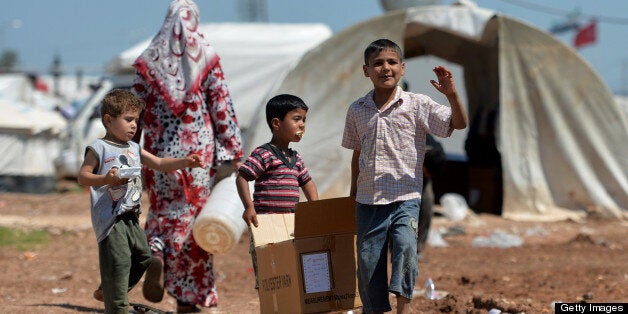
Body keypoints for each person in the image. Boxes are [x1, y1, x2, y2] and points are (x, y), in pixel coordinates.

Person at [132, 0, 244, 312]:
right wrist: (234, 152)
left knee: (161, 212)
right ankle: (187, 298)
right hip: (198, 155)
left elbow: (133, 115)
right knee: (193, 221)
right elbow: (222, 107)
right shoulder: (207, 58)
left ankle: (155, 251)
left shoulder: (147, 62)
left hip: (157, 152)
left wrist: (130, 152)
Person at [341, 39, 468, 313]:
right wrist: (353, 192)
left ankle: (404, 308)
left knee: (405, 246)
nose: (384, 68)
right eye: (377, 63)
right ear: (366, 70)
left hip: (405, 197)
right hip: (368, 199)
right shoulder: (357, 110)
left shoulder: (417, 104)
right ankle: (375, 309)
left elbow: (458, 124)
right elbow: (357, 154)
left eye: (391, 62)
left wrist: (452, 94)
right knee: (368, 260)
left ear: (402, 68)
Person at [78, 89, 205, 313]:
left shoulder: (134, 148)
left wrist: (186, 161)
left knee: (144, 256)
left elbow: (159, 163)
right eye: (128, 119)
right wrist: (106, 178)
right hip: (111, 218)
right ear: (109, 120)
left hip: (131, 216)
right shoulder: (99, 148)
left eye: (136, 120)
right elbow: (83, 176)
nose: (134, 125)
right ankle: (116, 306)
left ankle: (107, 291)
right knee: (120, 262)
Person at [235, 94, 319, 288]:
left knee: (291, 273)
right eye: (296, 119)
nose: (302, 125)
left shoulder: (296, 158)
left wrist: (315, 207)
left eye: (304, 120)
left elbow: (307, 182)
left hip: (291, 225)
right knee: (269, 276)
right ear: (276, 123)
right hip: (265, 224)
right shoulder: (263, 154)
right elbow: (242, 177)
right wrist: (249, 207)